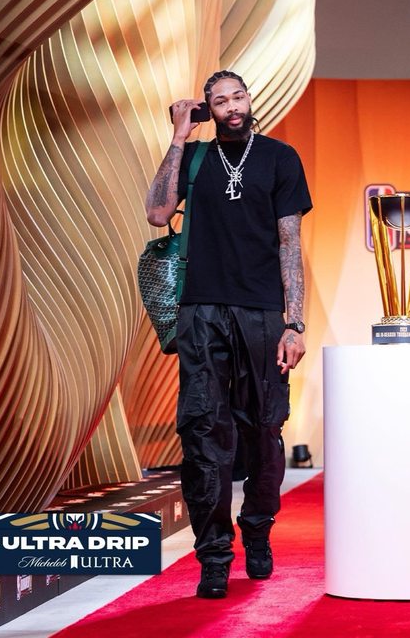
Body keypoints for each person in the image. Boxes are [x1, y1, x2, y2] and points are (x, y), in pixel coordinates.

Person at [145, 70, 312, 599]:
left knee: (264, 430)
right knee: (203, 435)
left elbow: (290, 244)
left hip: (262, 314)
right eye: (220, 101)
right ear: (208, 110)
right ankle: (213, 555)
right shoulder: (194, 158)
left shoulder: (279, 158)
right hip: (201, 312)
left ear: (249, 99)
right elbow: (157, 213)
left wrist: (295, 323)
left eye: (238, 96)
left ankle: (257, 531)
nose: (232, 106)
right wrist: (178, 137)